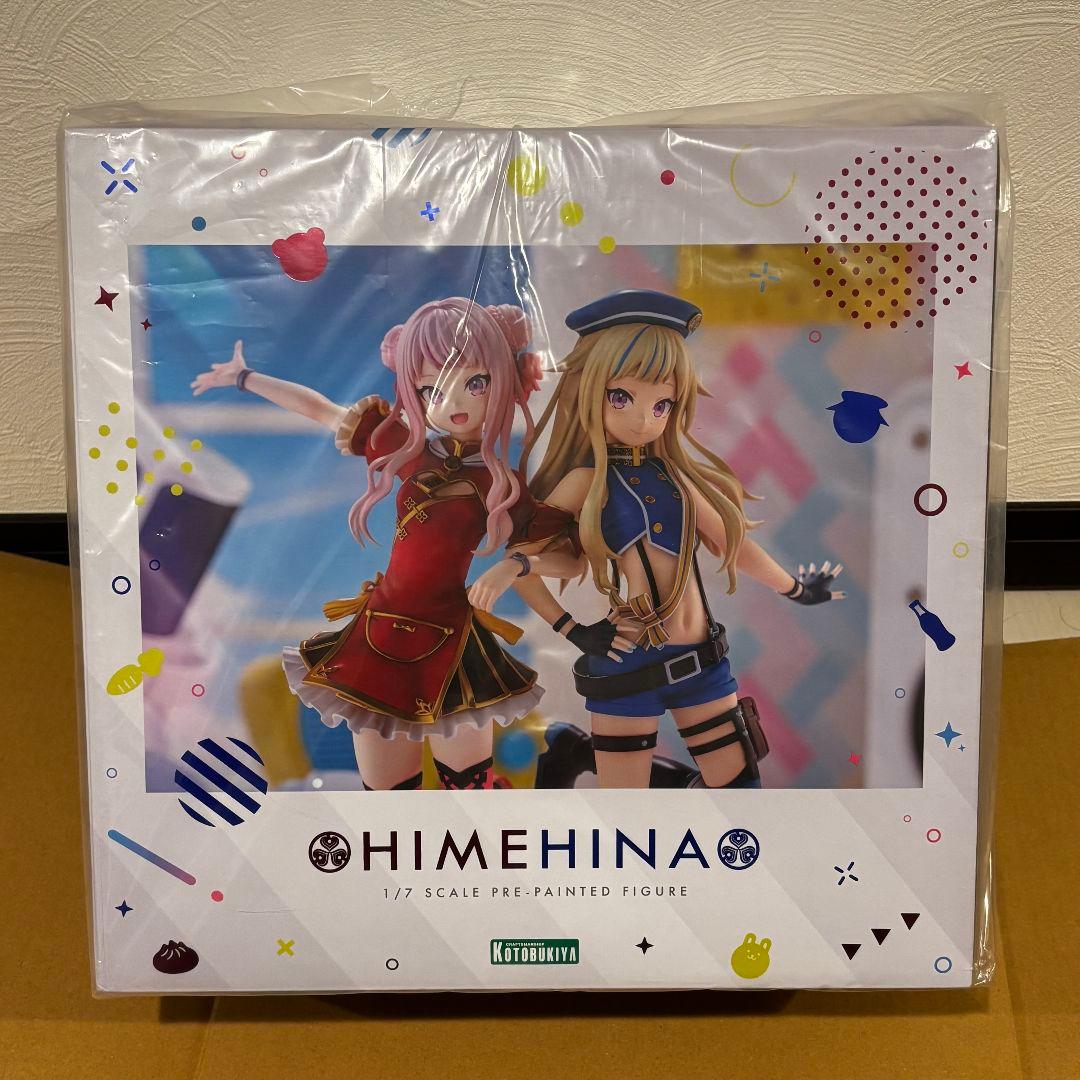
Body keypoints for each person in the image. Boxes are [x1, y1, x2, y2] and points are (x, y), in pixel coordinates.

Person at [468, 289, 844, 789]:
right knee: (626, 809)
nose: (644, 419)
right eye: (621, 397)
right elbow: (546, 561)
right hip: (628, 661)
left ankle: (578, 750)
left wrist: (795, 589)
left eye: (662, 404)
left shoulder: (677, 479)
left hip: (703, 661)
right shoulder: (585, 482)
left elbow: (732, 544)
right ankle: (575, 752)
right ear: (590, 390)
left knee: (739, 793)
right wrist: (572, 628)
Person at [192, 297, 565, 790]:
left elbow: (564, 554)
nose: (452, 402)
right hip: (379, 633)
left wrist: (511, 567)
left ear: (505, 381)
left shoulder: (502, 483)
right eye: (431, 388)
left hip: (454, 642)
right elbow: (321, 410)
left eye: (475, 383)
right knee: (385, 799)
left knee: (470, 793)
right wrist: (245, 377)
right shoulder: (407, 449)